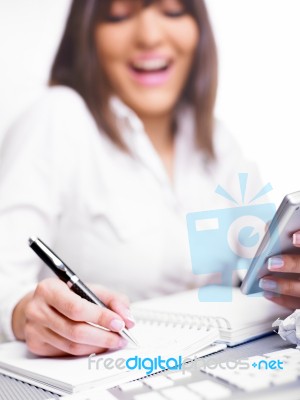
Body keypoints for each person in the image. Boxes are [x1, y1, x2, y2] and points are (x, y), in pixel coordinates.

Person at [0, 0, 298, 357]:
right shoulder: (58, 117)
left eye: (172, 11)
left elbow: (254, 267)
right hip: (105, 372)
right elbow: (6, 283)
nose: (150, 36)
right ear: (87, 37)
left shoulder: (218, 142)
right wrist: (23, 314)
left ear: (198, 31)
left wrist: (287, 277)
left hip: (205, 366)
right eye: (119, 16)